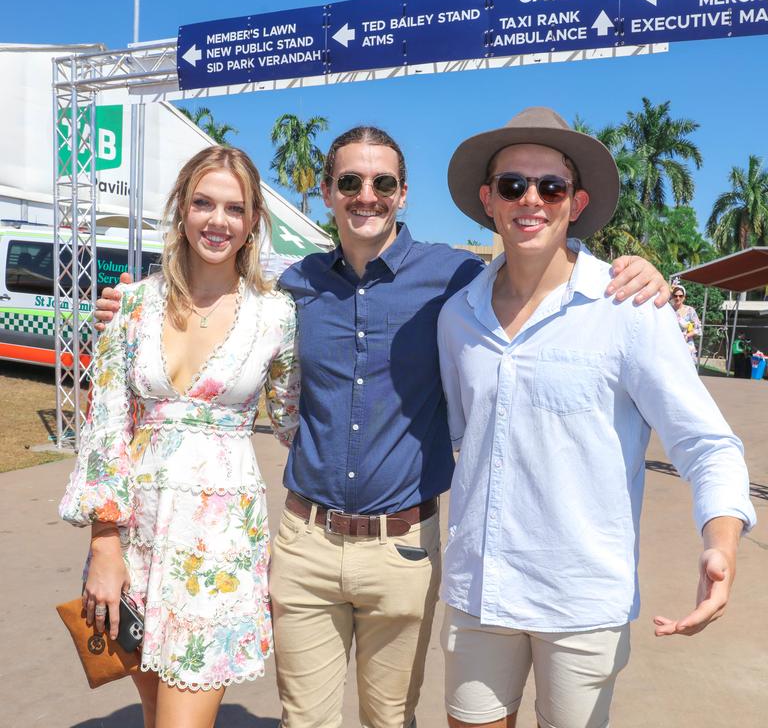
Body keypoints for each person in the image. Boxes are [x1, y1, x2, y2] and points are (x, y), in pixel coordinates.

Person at [95, 127, 670, 728]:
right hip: (304, 546)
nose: (365, 195)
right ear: (326, 192)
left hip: (403, 550)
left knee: (390, 721)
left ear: (402, 195)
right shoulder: (293, 288)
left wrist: (643, 279)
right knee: (304, 721)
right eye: (349, 182)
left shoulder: (456, 278)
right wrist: (135, 300)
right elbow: (224, 313)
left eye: (382, 183)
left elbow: (541, 269)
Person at [437, 106, 757, 728]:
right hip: (480, 589)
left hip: (579, 599)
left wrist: (719, 543)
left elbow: (706, 444)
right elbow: (460, 436)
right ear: (489, 199)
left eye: (550, 186)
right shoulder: (458, 317)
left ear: (575, 202)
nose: (531, 199)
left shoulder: (630, 308)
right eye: (513, 185)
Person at [59, 146, 300, 728]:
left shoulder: (277, 315)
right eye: (203, 203)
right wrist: (104, 547)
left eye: (234, 209)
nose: (218, 221)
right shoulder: (134, 305)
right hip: (135, 538)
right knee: (152, 710)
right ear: (181, 211)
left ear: (252, 224)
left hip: (219, 546)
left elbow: (295, 420)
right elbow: (106, 430)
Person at [670, 283, 702, 363]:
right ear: (672, 297)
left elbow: (698, 329)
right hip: (672, 343)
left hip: (687, 344)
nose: (678, 298)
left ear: (684, 297)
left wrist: (687, 335)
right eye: (675, 296)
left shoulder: (690, 310)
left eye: (680, 296)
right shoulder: (669, 310)